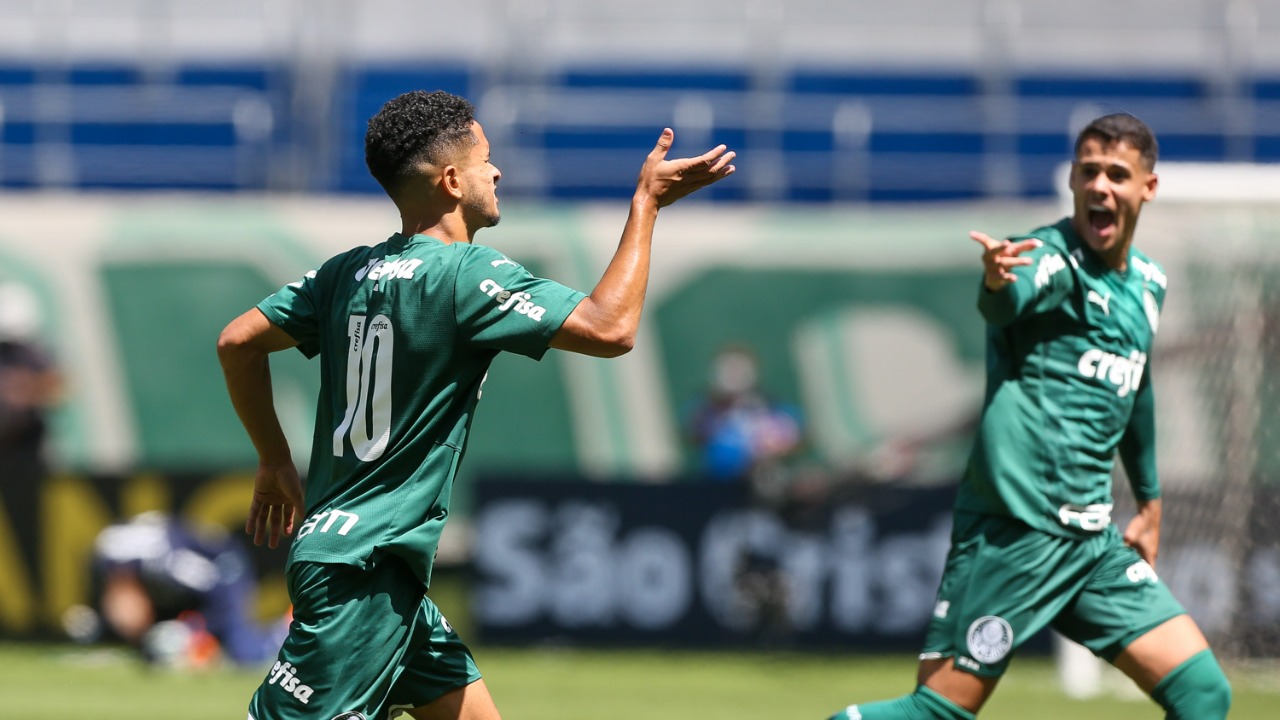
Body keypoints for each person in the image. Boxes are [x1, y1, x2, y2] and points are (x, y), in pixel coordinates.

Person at [217, 90, 734, 720]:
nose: (498, 171)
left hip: (372, 567)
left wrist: (274, 460)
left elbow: (237, 341)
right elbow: (610, 328)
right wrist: (647, 204)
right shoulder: (464, 274)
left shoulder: (343, 273)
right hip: (366, 573)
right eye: (486, 158)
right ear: (453, 179)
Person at [826, 113, 1230, 719]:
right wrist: (996, 282)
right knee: (937, 713)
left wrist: (1148, 503)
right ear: (1071, 177)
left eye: (1117, 174)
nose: (1100, 186)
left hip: (1090, 545)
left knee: (1202, 693)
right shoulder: (1048, 257)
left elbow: (1135, 388)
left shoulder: (1148, 283)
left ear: (1148, 187)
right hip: (1014, 536)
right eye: (1088, 170)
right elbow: (1008, 299)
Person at [66, 511, 287, 668]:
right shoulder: (97, 564)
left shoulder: (169, 567)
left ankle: (284, 631)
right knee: (154, 648)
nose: (124, 624)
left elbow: (223, 597)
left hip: (222, 567)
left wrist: (190, 629)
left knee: (244, 653)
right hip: (166, 581)